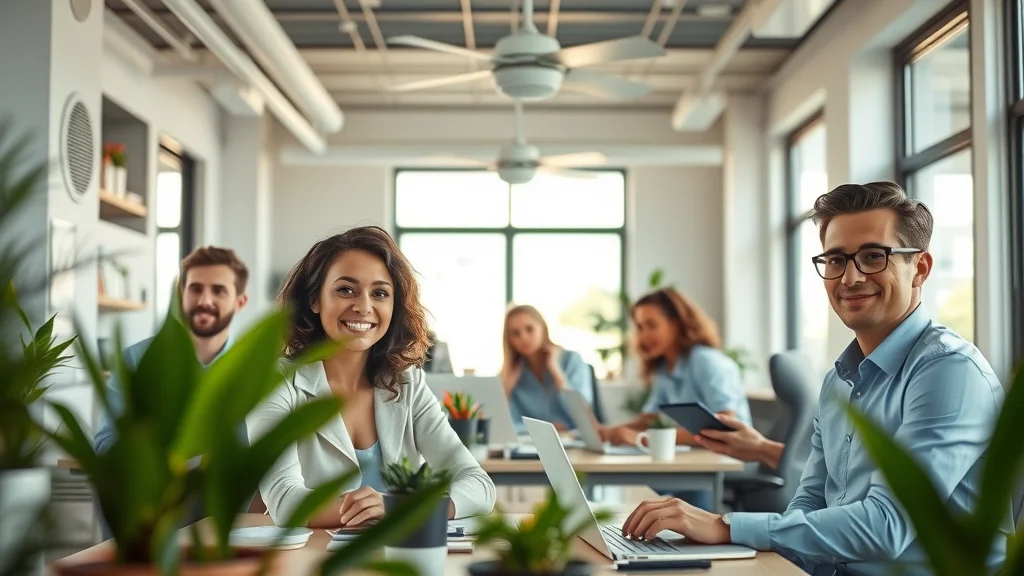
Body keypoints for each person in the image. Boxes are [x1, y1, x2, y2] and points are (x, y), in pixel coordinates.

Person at [620, 182, 1009, 576]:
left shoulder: (948, 370)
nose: (851, 278)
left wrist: (727, 526)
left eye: (874, 256)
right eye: (836, 260)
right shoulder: (838, 380)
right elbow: (808, 501)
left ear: (920, 269)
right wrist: (737, 555)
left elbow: (888, 525)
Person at [249, 226, 496, 528]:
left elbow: (479, 485)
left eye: (379, 293)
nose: (363, 306)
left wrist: (398, 508)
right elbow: (285, 502)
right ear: (315, 300)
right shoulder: (275, 382)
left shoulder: (407, 382)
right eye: (345, 290)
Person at [93, 246, 250, 453]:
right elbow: (105, 442)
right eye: (196, 289)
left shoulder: (253, 368)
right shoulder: (134, 360)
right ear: (181, 295)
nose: (204, 301)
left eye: (218, 290)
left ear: (239, 302)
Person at [600, 288, 752, 448]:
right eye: (640, 327)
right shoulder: (665, 368)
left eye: (651, 325)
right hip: (701, 456)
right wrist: (609, 432)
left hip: (734, 459)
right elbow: (651, 417)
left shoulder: (705, 361)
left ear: (676, 324)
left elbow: (725, 427)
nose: (644, 336)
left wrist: (642, 438)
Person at [500, 305, 594, 433]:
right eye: (515, 333)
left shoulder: (571, 360)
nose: (524, 338)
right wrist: (506, 389)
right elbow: (507, 427)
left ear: (543, 328)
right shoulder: (513, 374)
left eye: (529, 329)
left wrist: (556, 371)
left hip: (576, 441)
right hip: (531, 446)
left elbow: (584, 414)